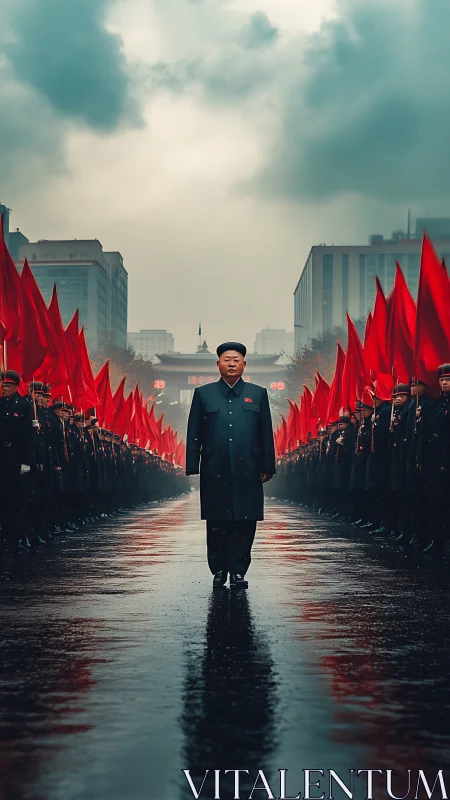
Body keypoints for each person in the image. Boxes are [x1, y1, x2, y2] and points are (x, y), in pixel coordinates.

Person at [185, 342, 275, 589]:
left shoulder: (258, 394)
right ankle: (218, 569)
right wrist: (193, 464)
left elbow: (266, 432)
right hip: (215, 467)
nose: (232, 363)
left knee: (246, 520)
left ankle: (238, 571)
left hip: (250, 466)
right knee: (217, 520)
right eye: (227, 359)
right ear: (218, 364)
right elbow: (194, 431)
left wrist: (268, 465)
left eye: (236, 359)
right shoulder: (204, 394)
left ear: (244, 364)